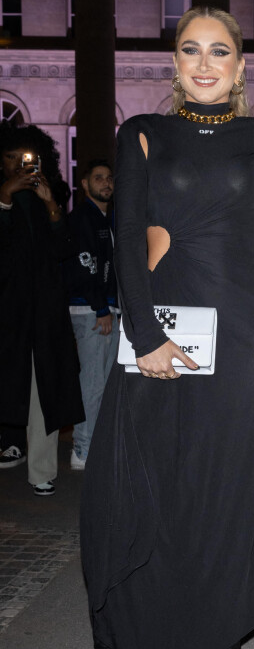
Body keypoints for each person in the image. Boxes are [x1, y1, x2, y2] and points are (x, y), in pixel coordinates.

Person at [78, 6, 254, 649]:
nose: (204, 63)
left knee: (223, 494)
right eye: (190, 50)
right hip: (162, 331)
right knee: (122, 489)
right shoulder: (143, 134)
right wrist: (142, 339)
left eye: (220, 52)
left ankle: (223, 647)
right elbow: (127, 236)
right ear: (174, 62)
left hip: (246, 338)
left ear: (239, 68)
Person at [0, 123, 84, 494]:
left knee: (44, 389)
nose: (19, 164)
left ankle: (42, 471)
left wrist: (51, 204)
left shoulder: (49, 195)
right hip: (7, 312)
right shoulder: (2, 195)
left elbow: (63, 249)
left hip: (44, 312)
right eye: (11, 157)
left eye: (26, 158)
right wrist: (4, 197)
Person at [63, 160, 119, 471]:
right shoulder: (82, 218)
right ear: (85, 184)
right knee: (94, 383)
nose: (106, 183)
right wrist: (100, 307)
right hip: (91, 310)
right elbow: (85, 266)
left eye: (109, 177)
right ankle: (82, 450)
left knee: (102, 382)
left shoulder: (104, 217)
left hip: (104, 308)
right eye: (98, 178)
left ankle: (91, 445)